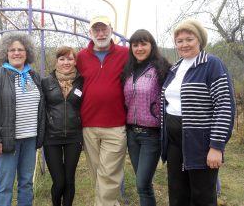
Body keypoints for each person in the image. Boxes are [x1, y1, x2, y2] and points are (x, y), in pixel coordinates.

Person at [161, 19, 235, 206]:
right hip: (174, 142)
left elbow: (224, 105)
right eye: (180, 41)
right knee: (177, 194)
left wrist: (217, 146)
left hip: (200, 141)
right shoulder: (176, 68)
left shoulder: (212, 64)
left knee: (202, 196)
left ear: (199, 40)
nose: (184, 44)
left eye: (189, 39)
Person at [0, 32, 45, 206]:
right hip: (8, 142)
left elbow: (42, 108)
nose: (17, 53)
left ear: (27, 52)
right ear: (6, 54)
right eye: (12, 50)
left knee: (26, 183)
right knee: (5, 186)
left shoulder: (34, 77)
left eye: (20, 49)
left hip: (30, 141)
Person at [76, 15, 129, 206]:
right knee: (96, 171)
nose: (100, 33)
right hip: (88, 124)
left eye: (104, 29)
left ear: (111, 30)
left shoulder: (125, 53)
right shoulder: (80, 57)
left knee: (109, 173)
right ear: (90, 33)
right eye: (96, 30)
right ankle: (110, 203)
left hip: (115, 124)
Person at [121, 29, 171, 206]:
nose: (139, 48)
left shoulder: (161, 68)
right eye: (135, 45)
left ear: (152, 45)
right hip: (132, 134)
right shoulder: (128, 70)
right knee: (143, 183)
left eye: (144, 44)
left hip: (151, 134)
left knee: (142, 183)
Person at [42, 46, 83, 206]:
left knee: (69, 180)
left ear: (75, 61)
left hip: (74, 137)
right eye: (62, 59)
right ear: (56, 61)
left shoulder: (82, 81)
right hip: (51, 137)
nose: (66, 62)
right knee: (59, 182)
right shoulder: (45, 82)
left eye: (70, 59)